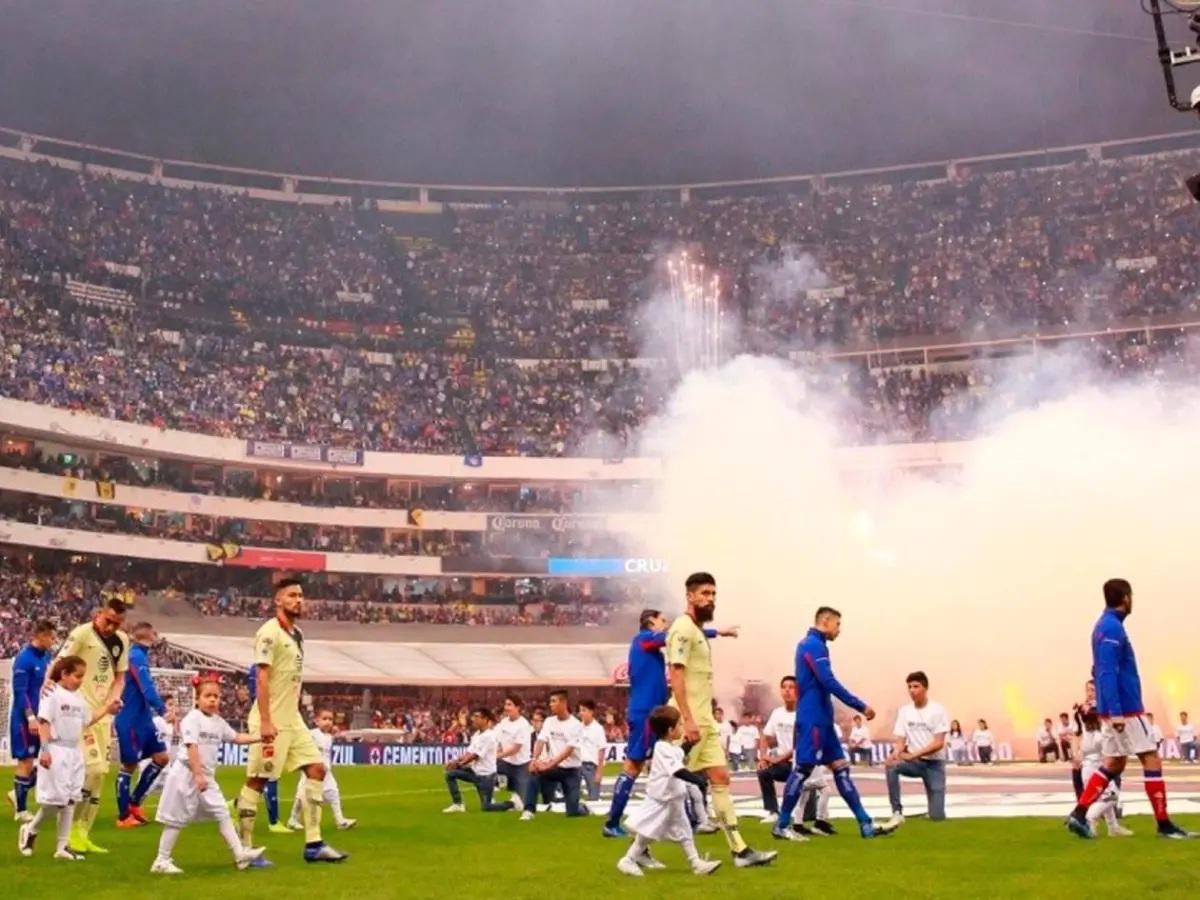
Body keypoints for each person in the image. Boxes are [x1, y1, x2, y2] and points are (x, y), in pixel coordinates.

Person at [1066, 578, 1194, 839]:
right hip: (1126, 709)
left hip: (1117, 708)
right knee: (1151, 759)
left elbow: (1099, 668)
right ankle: (1164, 824)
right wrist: (1115, 711)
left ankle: (1079, 814)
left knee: (1114, 763)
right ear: (1125, 598)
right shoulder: (1112, 628)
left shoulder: (1103, 627)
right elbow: (1106, 671)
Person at [235, 578, 348, 862]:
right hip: (271, 719)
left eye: (301, 595)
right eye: (292, 595)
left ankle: (314, 845)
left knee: (317, 769)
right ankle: (244, 849)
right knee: (257, 781)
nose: (299, 600)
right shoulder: (269, 633)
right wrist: (265, 721)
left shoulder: (296, 633)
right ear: (278, 600)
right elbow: (261, 678)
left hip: (292, 719)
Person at [668, 573, 776, 866]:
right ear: (690, 596)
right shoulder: (682, 629)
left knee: (721, 778)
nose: (710, 599)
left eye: (713, 594)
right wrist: (687, 720)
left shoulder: (698, 631)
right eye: (704, 593)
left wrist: (721, 632)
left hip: (705, 722)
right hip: (687, 721)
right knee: (667, 789)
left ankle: (739, 850)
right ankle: (637, 851)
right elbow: (675, 675)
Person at [602, 607, 734, 838]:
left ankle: (692, 820)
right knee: (634, 765)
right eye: (662, 620)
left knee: (675, 763)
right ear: (651, 622)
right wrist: (715, 632)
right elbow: (675, 636)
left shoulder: (648, 646)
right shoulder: (643, 640)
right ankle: (612, 822)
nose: (666, 624)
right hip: (645, 714)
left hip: (656, 712)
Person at [773, 606, 892, 841]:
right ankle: (782, 824)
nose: (840, 630)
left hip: (823, 719)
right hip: (813, 719)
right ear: (825, 622)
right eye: (838, 624)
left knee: (840, 768)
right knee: (803, 769)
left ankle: (865, 824)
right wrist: (860, 706)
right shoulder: (811, 645)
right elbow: (828, 681)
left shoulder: (816, 645)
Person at [150, 677, 266, 874]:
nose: (213, 700)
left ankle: (240, 854)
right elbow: (191, 746)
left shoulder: (219, 722)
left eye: (216, 696)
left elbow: (236, 737)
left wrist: (260, 737)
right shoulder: (192, 719)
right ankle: (161, 860)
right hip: (187, 774)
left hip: (205, 776)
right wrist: (197, 775)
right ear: (198, 699)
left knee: (222, 812)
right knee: (176, 818)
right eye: (208, 696)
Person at [47, 597, 130, 855]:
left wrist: (115, 696)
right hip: (79, 714)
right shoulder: (81, 634)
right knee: (92, 770)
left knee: (100, 776)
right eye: (108, 621)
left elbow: (120, 676)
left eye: (116, 624)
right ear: (99, 614)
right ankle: (68, 831)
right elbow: (59, 664)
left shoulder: (122, 641)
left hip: (105, 715)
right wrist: (47, 688)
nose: (110, 628)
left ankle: (82, 833)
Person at [17, 656, 121, 861]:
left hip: (74, 751)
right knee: (56, 800)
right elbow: (44, 722)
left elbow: (88, 720)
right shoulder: (52, 694)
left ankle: (62, 847)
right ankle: (30, 828)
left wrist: (108, 709)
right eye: (77, 676)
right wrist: (45, 749)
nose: (80, 680)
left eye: (83, 676)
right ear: (64, 674)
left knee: (72, 799)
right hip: (56, 749)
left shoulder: (79, 698)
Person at [615, 705, 722, 878]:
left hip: (673, 800)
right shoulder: (662, 748)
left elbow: (679, 754)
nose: (682, 727)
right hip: (662, 800)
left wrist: (690, 744)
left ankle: (696, 863)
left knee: (684, 831)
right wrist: (698, 779)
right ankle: (628, 860)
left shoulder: (670, 747)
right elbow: (677, 770)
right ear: (671, 730)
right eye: (680, 725)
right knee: (647, 833)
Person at [115, 622, 173, 828]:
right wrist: (163, 709)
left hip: (143, 719)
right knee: (129, 765)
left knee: (162, 757)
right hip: (129, 719)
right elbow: (146, 687)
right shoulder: (135, 656)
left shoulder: (141, 656)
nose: (157, 635)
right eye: (155, 631)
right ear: (149, 634)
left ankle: (134, 803)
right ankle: (123, 816)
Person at [883, 671, 949, 827]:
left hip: (934, 764)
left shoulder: (937, 710)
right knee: (891, 766)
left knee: (937, 816)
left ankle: (932, 810)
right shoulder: (905, 711)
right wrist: (896, 753)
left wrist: (913, 754)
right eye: (909, 687)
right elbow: (900, 740)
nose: (912, 690)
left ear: (925, 688)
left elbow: (938, 743)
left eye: (916, 686)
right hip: (916, 763)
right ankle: (897, 812)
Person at [7, 619, 54, 824]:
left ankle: (16, 793)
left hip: (42, 716)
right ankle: (21, 810)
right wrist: (30, 717)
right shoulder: (24, 659)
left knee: (46, 762)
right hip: (24, 719)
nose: (53, 641)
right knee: (26, 761)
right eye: (51, 637)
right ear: (40, 636)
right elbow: (20, 691)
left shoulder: (46, 658)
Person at [520, 689, 586, 820]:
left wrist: (549, 764)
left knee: (572, 812)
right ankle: (528, 810)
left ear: (564, 703)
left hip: (571, 770)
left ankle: (582, 807)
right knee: (534, 772)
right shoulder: (549, 721)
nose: (550, 704)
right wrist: (534, 759)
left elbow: (568, 751)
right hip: (554, 768)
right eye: (550, 701)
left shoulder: (575, 725)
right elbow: (540, 741)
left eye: (553, 701)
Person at [286, 709, 356, 830]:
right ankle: (293, 819)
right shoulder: (312, 733)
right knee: (302, 795)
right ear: (316, 721)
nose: (328, 722)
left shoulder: (329, 736)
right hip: (311, 770)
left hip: (326, 772)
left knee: (334, 793)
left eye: (330, 719)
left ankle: (340, 820)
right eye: (324, 719)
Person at [443, 708, 513, 813]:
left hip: (486, 777)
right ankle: (458, 804)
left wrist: (458, 763)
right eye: (473, 717)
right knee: (450, 774)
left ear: (485, 719)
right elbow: (469, 753)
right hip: (475, 772)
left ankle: (512, 804)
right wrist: (455, 761)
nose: (474, 719)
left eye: (477, 717)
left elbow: (475, 756)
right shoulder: (476, 735)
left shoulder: (489, 736)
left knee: (486, 807)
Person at [1077, 711, 1132, 838]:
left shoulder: (1084, 734)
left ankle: (1113, 827)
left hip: (1086, 769)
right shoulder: (1099, 736)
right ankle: (1090, 817)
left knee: (1104, 797)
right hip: (1098, 769)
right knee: (1112, 796)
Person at [757, 677, 798, 827]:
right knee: (763, 771)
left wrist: (778, 758)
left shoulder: (803, 714)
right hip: (782, 763)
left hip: (800, 763)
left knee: (808, 815)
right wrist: (763, 757)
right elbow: (765, 736)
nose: (787, 690)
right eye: (784, 687)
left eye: (791, 687)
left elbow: (799, 745)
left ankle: (808, 808)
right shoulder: (777, 713)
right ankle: (773, 811)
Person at [492, 695, 533, 810]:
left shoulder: (523, 725)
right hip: (506, 763)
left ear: (518, 707)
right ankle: (489, 796)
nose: (506, 707)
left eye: (509, 705)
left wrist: (498, 755)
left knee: (522, 803)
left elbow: (516, 748)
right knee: (484, 768)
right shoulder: (504, 722)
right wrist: (496, 751)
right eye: (505, 704)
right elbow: (495, 738)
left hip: (521, 765)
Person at [578, 700, 607, 804]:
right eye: (580, 710)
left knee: (593, 796)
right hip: (578, 764)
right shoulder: (578, 727)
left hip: (591, 766)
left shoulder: (598, 729)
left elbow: (601, 750)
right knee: (571, 790)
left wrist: (599, 771)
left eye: (584, 710)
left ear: (591, 712)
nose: (581, 713)